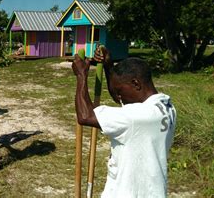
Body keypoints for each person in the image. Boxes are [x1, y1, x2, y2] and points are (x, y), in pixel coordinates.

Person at [72, 47, 177, 197]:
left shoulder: (137, 117)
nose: (118, 97)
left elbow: (85, 116)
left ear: (136, 84)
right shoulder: (166, 106)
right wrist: (109, 67)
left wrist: (81, 75)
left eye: (120, 91)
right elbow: (121, 100)